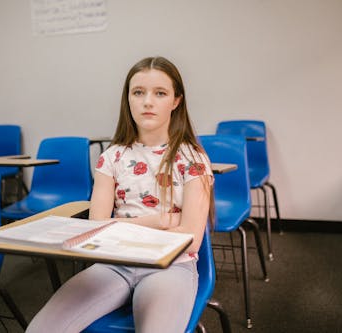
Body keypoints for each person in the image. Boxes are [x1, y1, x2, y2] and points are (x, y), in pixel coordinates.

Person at [25, 56, 214, 333]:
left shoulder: (192, 158)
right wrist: (161, 221)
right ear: (128, 98)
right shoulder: (111, 157)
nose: (147, 101)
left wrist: (117, 225)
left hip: (171, 268)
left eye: (160, 93)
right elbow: (95, 229)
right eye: (138, 92)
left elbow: (191, 241)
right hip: (113, 265)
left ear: (176, 101)